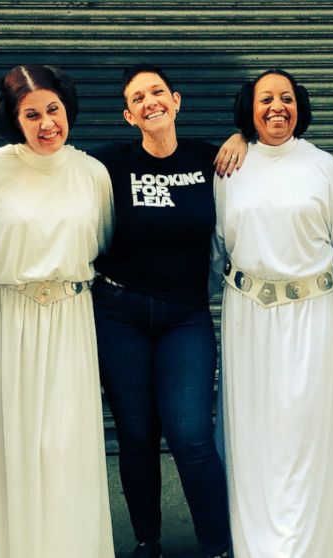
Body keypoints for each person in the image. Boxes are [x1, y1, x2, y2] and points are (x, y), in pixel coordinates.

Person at [89, 65, 239, 558]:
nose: (150, 101)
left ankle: (217, 545)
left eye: (158, 92)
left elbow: (278, 157)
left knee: (191, 436)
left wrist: (241, 134)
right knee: (135, 433)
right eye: (138, 97)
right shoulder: (110, 161)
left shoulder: (210, 156)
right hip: (119, 312)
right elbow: (38, 169)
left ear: (176, 101)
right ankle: (147, 541)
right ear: (129, 115)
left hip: (185, 317)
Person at [0, 64, 114, 557]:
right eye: (32, 114)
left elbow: (105, 241)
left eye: (53, 109)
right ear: (13, 118)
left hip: (71, 317)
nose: (47, 123)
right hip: (6, 316)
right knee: (13, 443)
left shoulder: (92, 173)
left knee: (67, 445)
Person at [213, 69, 333, 558]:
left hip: (313, 314)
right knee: (253, 431)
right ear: (249, 108)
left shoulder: (322, 166)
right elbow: (219, 244)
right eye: (265, 98)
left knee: (305, 429)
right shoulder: (230, 166)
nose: (276, 107)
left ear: (299, 106)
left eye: (286, 98)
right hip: (247, 315)